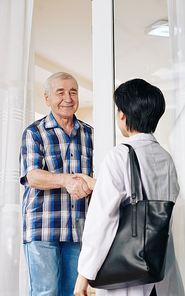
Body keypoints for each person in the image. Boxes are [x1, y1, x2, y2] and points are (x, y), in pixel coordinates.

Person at [73, 78, 184, 296]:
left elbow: (101, 221)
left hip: (128, 276)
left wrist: (83, 277)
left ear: (122, 114)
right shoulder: (165, 157)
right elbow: (152, 197)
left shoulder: (119, 155)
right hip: (162, 270)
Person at [19, 72, 93, 296]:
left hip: (78, 231)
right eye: (60, 93)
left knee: (74, 293)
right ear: (47, 98)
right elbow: (32, 176)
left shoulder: (90, 134)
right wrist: (68, 180)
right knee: (46, 292)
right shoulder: (34, 133)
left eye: (73, 92)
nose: (68, 98)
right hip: (43, 229)